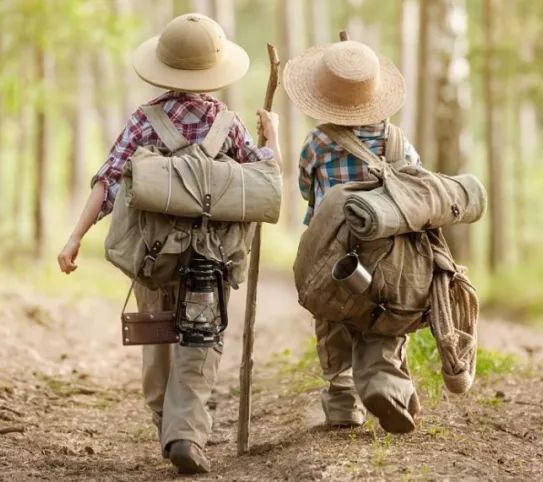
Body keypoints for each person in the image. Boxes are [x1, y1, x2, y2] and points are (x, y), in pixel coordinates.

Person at [56, 13, 280, 474]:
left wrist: (75, 237)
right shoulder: (230, 125)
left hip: (152, 255)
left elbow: (109, 181)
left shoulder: (144, 120)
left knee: (157, 338)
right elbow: (263, 182)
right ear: (214, 71)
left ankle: (165, 418)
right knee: (201, 343)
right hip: (210, 259)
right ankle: (186, 434)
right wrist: (272, 139)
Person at [282, 40, 423, 432]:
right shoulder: (399, 142)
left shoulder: (317, 144)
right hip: (390, 252)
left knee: (333, 317)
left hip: (337, 252)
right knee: (385, 317)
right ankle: (383, 382)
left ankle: (343, 399)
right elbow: (415, 184)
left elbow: (307, 193)